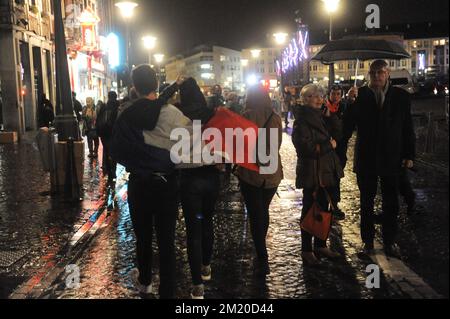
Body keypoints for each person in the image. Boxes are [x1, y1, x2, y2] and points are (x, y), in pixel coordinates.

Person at [119, 65, 187, 299]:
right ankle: (168, 290)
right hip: (166, 183)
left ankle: (145, 282)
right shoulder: (175, 115)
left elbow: (117, 150)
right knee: (167, 239)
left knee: (143, 237)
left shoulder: (127, 114)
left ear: (134, 87)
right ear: (157, 85)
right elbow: (187, 150)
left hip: (140, 183)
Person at [345, 59, 416, 257]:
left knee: (391, 203)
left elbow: (407, 128)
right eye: (373, 73)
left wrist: (410, 155)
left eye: (380, 72)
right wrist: (349, 103)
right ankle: (367, 242)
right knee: (366, 202)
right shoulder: (360, 96)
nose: (377, 76)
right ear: (369, 75)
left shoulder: (400, 97)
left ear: (387, 74)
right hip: (367, 158)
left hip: (392, 157)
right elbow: (347, 126)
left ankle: (390, 241)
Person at [176, 77, 221, 299]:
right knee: (208, 221)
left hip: (189, 178)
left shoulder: (177, 116)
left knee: (193, 230)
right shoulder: (212, 114)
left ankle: (197, 285)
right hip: (211, 176)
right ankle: (205, 265)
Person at [235, 85, 284, 277]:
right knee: (263, 211)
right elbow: (277, 144)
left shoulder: (245, 117)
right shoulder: (275, 117)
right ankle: (261, 249)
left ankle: (262, 256)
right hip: (271, 174)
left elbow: (239, 145)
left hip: (251, 173)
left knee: (256, 214)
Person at [292, 84, 344, 266]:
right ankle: (307, 250)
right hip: (312, 172)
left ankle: (321, 244)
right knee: (309, 209)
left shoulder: (321, 116)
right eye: (314, 96)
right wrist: (330, 145)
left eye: (320, 96)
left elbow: (340, 133)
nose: (319, 99)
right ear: (305, 99)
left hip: (326, 170)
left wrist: (331, 116)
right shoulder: (302, 120)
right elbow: (305, 147)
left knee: (325, 207)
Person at [322, 85, 348, 220]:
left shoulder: (344, 108)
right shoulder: (323, 107)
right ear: (329, 94)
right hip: (327, 148)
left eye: (338, 94)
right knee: (327, 176)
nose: (336, 97)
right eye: (334, 94)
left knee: (336, 177)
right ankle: (327, 203)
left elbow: (345, 128)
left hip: (340, 148)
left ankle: (335, 204)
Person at [96, 91, 119, 183]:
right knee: (114, 152)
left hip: (104, 133)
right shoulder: (118, 106)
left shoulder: (104, 106)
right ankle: (113, 170)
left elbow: (98, 120)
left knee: (107, 151)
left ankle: (109, 171)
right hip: (114, 133)